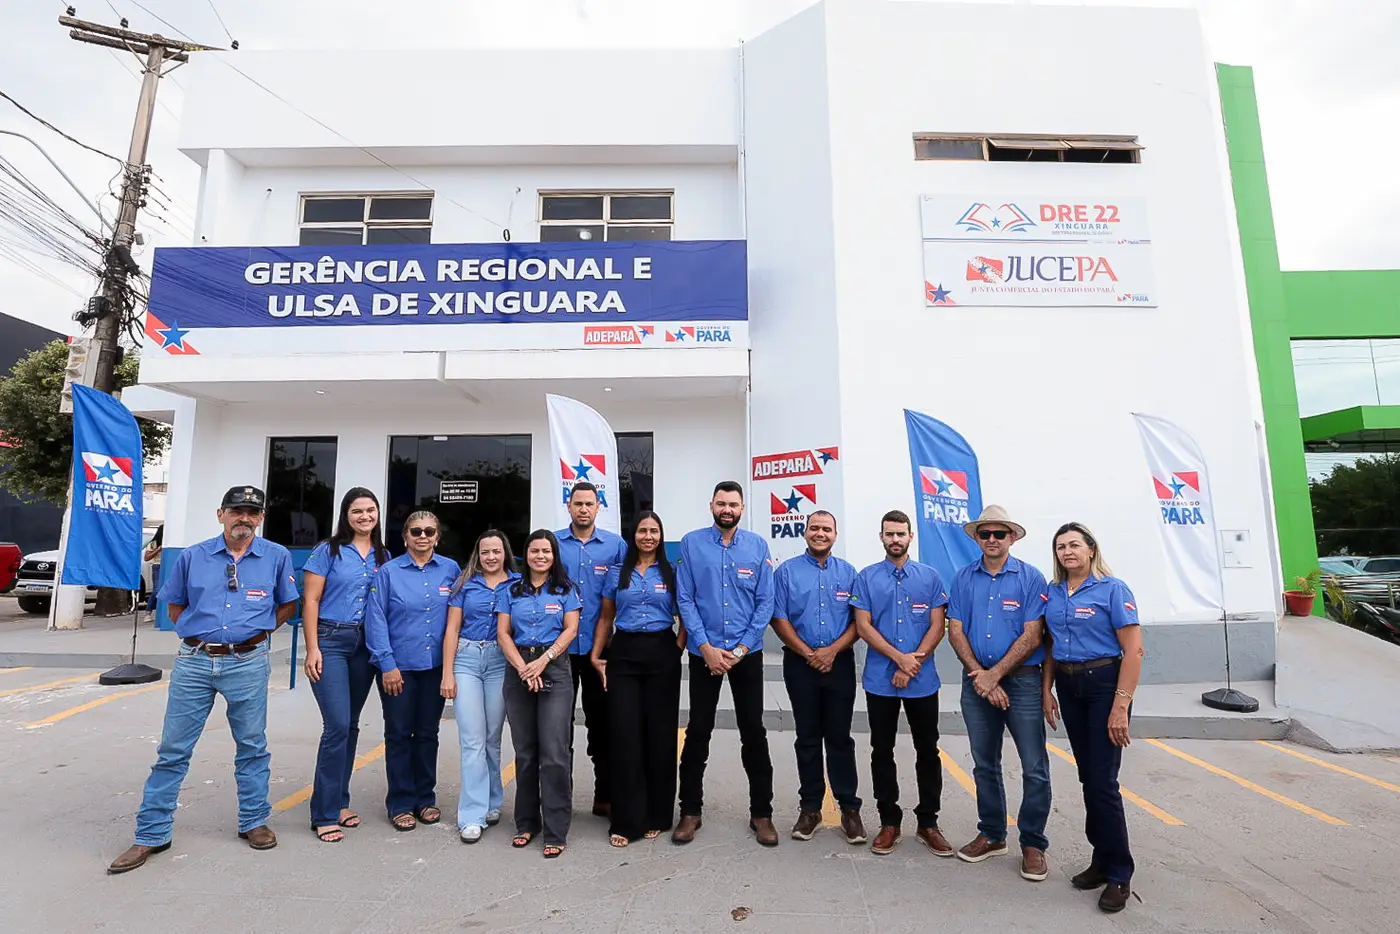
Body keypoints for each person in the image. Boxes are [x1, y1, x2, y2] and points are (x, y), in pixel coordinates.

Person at [108, 486, 299, 874]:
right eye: (236, 510)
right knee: (173, 749)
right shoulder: (193, 556)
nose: (244, 518)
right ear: (220, 514)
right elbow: (174, 605)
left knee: (252, 746)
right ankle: (151, 834)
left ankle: (254, 821)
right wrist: (200, 636)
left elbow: (288, 603)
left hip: (248, 662)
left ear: (261, 518)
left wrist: (258, 634)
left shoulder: (276, 556)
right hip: (195, 663)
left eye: (252, 512)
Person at [945, 504, 1053, 880]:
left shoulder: (1031, 578)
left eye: (999, 533)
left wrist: (995, 675)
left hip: (1022, 681)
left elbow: (1033, 635)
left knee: (1034, 766)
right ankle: (992, 834)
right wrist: (981, 676)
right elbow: (955, 629)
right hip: (976, 679)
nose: (992, 539)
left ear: (1012, 538)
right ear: (977, 538)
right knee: (984, 764)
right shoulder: (963, 578)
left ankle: (1033, 843)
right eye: (985, 533)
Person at [1042, 522, 1144, 914]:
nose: (1067, 552)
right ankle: (1101, 860)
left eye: (1074, 545)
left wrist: (1121, 706)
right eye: (1061, 547)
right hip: (1069, 687)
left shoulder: (1112, 590)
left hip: (1104, 685)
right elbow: (1049, 644)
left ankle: (1119, 873)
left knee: (1103, 782)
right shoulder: (1053, 592)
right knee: (1089, 777)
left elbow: (1133, 651)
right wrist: (1046, 690)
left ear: (1091, 549)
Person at [673, 481, 778, 847]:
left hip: (746, 654)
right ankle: (690, 811)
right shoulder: (692, 543)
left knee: (754, 731)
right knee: (698, 731)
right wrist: (705, 647)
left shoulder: (757, 546)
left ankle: (761, 813)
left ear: (742, 508)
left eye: (733, 504)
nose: (727, 509)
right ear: (712, 506)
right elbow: (685, 598)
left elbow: (766, 601)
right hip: (705, 653)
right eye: (721, 503)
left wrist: (743, 647)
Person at [851, 509, 953, 857]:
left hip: (922, 680)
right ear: (881, 537)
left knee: (928, 750)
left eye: (900, 534)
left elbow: (938, 626)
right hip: (880, 681)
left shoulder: (930, 577)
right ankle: (889, 822)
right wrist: (899, 659)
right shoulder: (866, 578)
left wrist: (910, 667)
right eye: (889, 534)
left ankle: (928, 823)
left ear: (911, 537)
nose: (895, 539)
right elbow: (863, 626)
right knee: (882, 751)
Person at [769, 510, 865, 844]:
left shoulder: (849, 574)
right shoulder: (786, 573)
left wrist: (831, 651)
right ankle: (810, 809)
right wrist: (810, 654)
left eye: (826, 529)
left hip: (839, 663)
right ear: (805, 532)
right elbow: (779, 618)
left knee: (840, 738)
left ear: (835, 535)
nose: (820, 533)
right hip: (800, 664)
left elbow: (859, 621)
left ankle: (849, 809)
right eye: (814, 528)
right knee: (807, 737)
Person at [590, 511, 686, 846]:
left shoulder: (672, 573)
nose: (648, 536)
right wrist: (596, 654)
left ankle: (657, 814)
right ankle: (627, 820)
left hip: (662, 652)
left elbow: (685, 616)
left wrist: (675, 650)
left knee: (659, 736)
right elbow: (606, 617)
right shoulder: (617, 572)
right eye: (643, 530)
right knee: (625, 735)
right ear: (633, 535)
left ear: (661, 536)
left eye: (654, 531)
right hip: (624, 654)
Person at [302, 487, 391, 844]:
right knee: (337, 724)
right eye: (357, 511)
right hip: (331, 640)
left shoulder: (384, 555)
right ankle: (323, 814)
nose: (364, 517)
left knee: (350, 725)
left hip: (365, 644)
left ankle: (339, 801)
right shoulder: (329, 550)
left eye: (370, 510)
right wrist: (312, 648)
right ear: (346, 515)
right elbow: (310, 600)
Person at [365, 510, 461, 832]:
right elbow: (376, 619)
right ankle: (401, 802)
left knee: (427, 733)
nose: (423, 536)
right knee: (398, 734)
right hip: (399, 668)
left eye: (429, 531)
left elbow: (460, 615)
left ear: (437, 537)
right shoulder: (388, 572)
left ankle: (425, 798)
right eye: (416, 531)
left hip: (435, 667)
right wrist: (387, 664)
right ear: (405, 536)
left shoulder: (450, 570)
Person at [496, 529, 581, 859]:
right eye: (535, 551)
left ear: (554, 555)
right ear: (526, 555)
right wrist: (523, 668)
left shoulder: (566, 590)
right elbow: (503, 634)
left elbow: (571, 629)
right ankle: (526, 823)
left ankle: (556, 830)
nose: (540, 556)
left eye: (546, 551)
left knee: (554, 753)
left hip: (554, 668)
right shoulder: (510, 590)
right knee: (526, 752)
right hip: (518, 667)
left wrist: (543, 662)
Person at [442, 530, 520, 844]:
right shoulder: (465, 584)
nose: (490, 557)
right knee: (472, 738)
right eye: (485, 551)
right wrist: (447, 673)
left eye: (496, 551)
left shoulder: (518, 584)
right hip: (467, 659)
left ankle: (492, 800)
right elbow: (452, 628)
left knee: (492, 738)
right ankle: (472, 815)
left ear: (505, 553)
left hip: (501, 661)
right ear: (478, 554)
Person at [555, 481, 627, 818]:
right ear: (569, 506)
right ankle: (560, 800)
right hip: (559, 650)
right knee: (559, 727)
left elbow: (626, 592)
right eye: (578, 503)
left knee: (604, 726)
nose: (583, 509)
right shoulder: (553, 544)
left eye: (589, 504)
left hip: (601, 652)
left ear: (599, 508)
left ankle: (605, 795)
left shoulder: (616, 546)